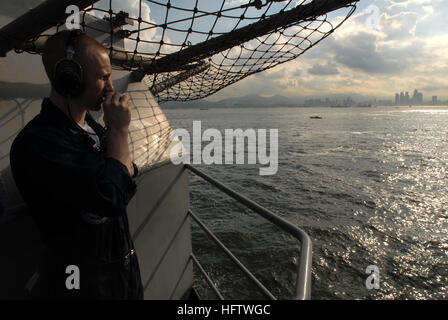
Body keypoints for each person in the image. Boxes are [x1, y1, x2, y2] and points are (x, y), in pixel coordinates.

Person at [9, 30, 143, 299]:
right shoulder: (39, 143)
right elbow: (113, 195)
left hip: (122, 275)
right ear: (69, 78)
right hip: (86, 286)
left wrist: (117, 168)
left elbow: (128, 175)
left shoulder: (90, 128)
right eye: (103, 77)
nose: (110, 88)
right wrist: (119, 133)